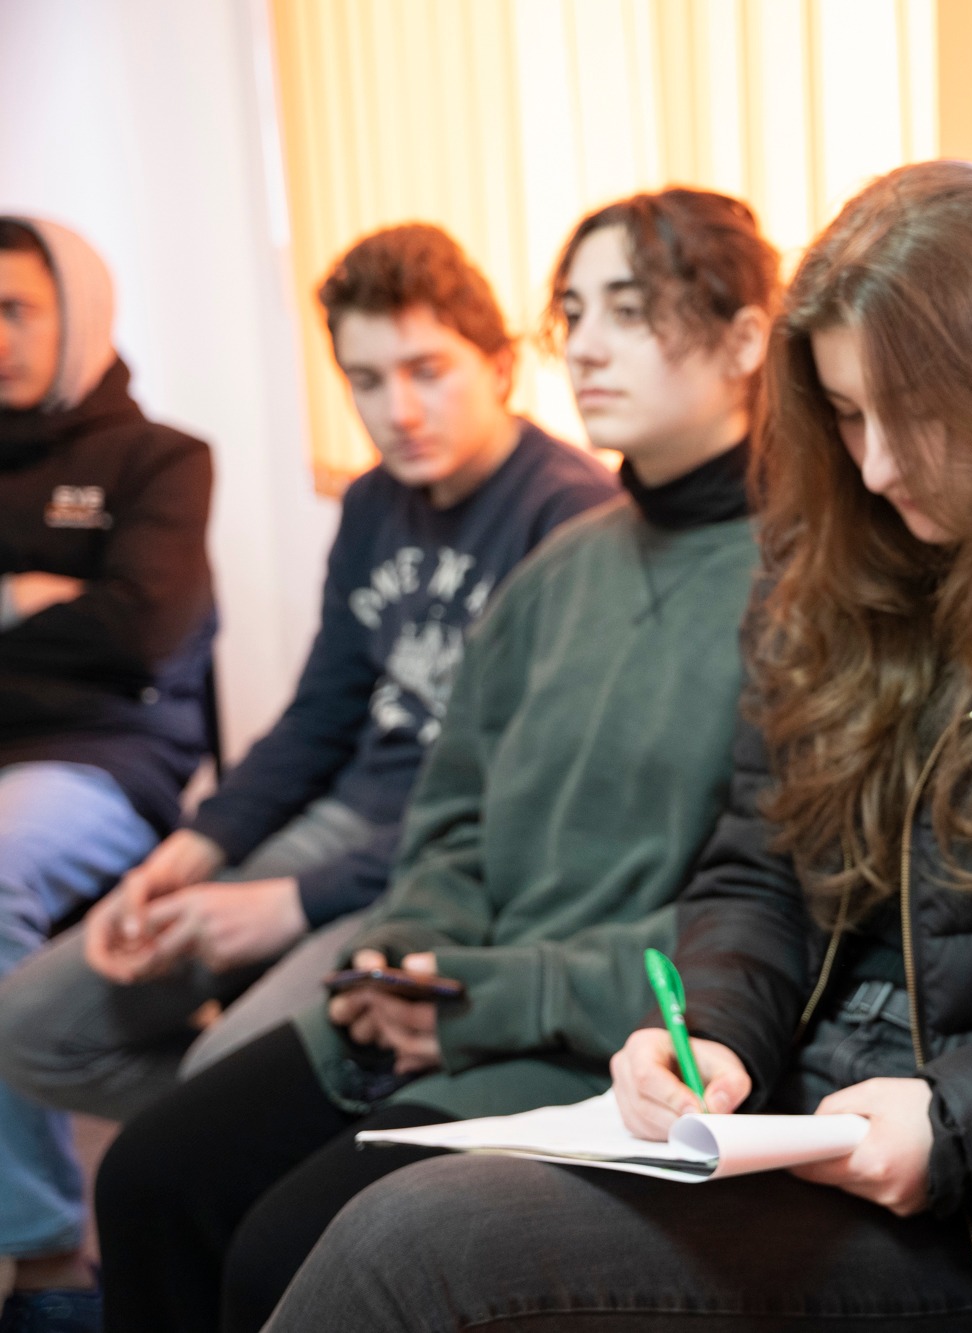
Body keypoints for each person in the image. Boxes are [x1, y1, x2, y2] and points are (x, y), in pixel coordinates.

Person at [264, 160, 972, 1333]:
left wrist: (957, 1115)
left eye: (913, 417)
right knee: (388, 1224)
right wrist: (711, 1030)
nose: (876, 467)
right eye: (849, 416)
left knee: (413, 1249)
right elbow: (757, 870)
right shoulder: (832, 569)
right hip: (787, 1125)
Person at [93, 186, 782, 1333]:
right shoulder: (562, 567)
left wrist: (476, 1000)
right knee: (147, 1177)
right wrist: (407, 960)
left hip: (591, 1046)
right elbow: (451, 810)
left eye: (629, 309)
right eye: (574, 311)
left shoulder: (805, 583)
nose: (585, 346)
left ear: (747, 338)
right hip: (448, 1001)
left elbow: (756, 919)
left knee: (280, 1255)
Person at [0, 215, 214, 1324]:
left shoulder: (160, 458)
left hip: (103, 760)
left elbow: (139, 631)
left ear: (78, 313)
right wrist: (33, 602)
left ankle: (38, 1249)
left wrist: (35, 621)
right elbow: (97, 623)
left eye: (15, 310)